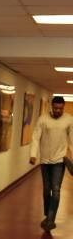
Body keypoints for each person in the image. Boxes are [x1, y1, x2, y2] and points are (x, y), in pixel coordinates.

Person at [29, 96, 73, 231]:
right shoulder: (43, 119)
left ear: (63, 108)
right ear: (51, 107)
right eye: (55, 108)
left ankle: (50, 219)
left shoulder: (69, 120)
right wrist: (33, 154)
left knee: (56, 189)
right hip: (45, 160)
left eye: (60, 108)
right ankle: (48, 213)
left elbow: (72, 140)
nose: (58, 110)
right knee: (46, 190)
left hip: (59, 160)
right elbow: (36, 137)